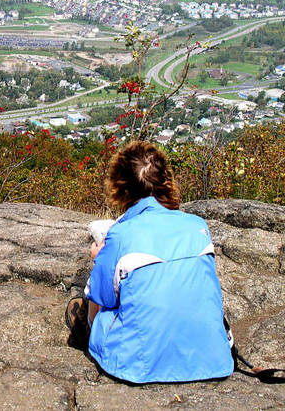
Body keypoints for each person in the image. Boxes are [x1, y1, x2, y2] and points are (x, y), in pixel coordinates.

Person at [66, 141, 234, 384]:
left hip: (138, 364)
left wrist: (99, 259)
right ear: (165, 180)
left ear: (120, 187)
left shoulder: (121, 236)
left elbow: (104, 299)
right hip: (213, 359)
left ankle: (86, 332)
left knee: (95, 308)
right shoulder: (198, 226)